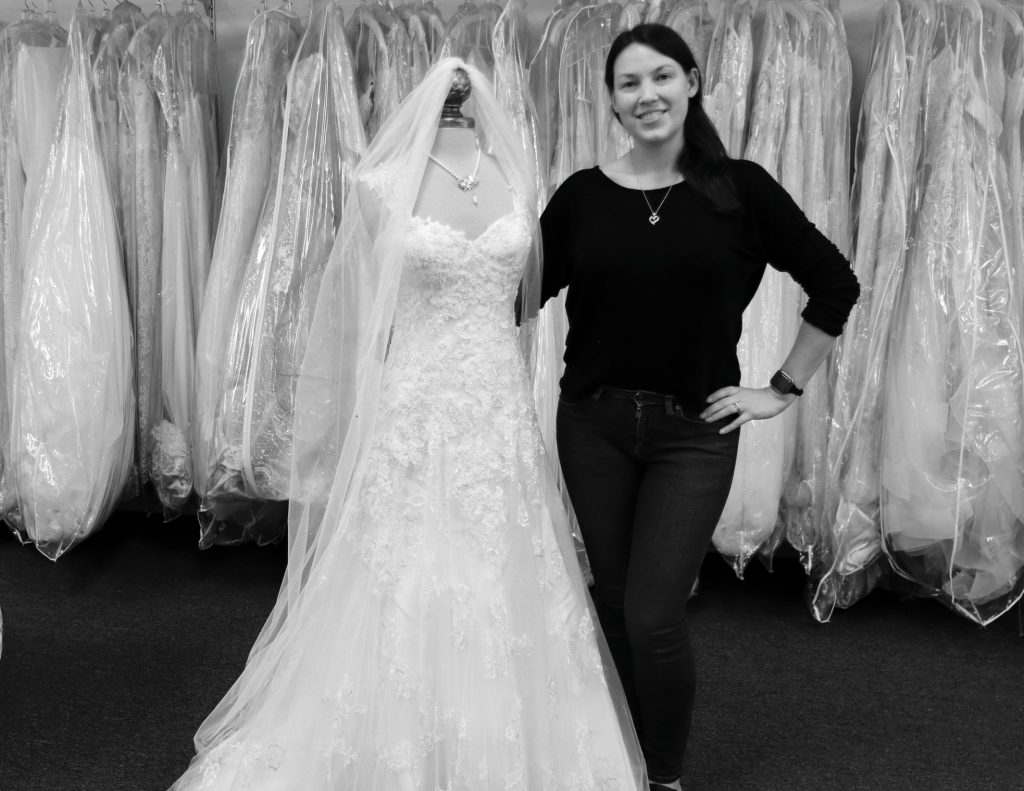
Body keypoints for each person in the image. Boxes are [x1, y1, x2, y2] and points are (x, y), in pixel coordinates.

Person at [169, 59, 648, 790]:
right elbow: (355, 320)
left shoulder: (520, 180)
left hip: (497, 404)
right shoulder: (378, 186)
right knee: (405, 561)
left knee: (503, 558)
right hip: (417, 402)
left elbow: (529, 298)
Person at [539, 23, 860, 791]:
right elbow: (515, 296)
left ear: (691, 82)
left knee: (654, 614)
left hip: (693, 432)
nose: (645, 94)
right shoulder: (581, 196)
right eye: (628, 83)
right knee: (613, 606)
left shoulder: (740, 188)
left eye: (660, 77)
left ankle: (665, 778)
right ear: (612, 102)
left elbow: (834, 283)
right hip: (593, 423)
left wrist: (781, 387)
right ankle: (616, 759)